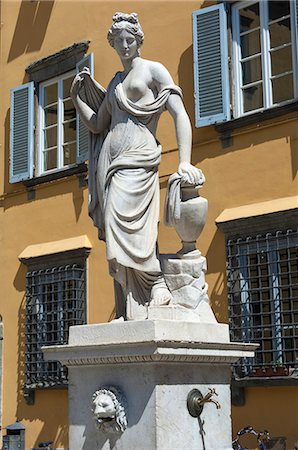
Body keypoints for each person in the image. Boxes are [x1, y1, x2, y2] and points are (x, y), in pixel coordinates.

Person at [70, 12, 204, 320]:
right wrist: (77, 98)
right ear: (113, 44)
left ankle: (155, 284)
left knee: (139, 231)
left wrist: (184, 161)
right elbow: (97, 124)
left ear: (138, 40)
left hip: (140, 161)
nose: (125, 46)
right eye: (119, 42)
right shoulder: (116, 82)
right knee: (117, 235)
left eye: (130, 40)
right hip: (111, 166)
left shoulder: (154, 71)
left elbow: (180, 115)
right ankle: (131, 304)